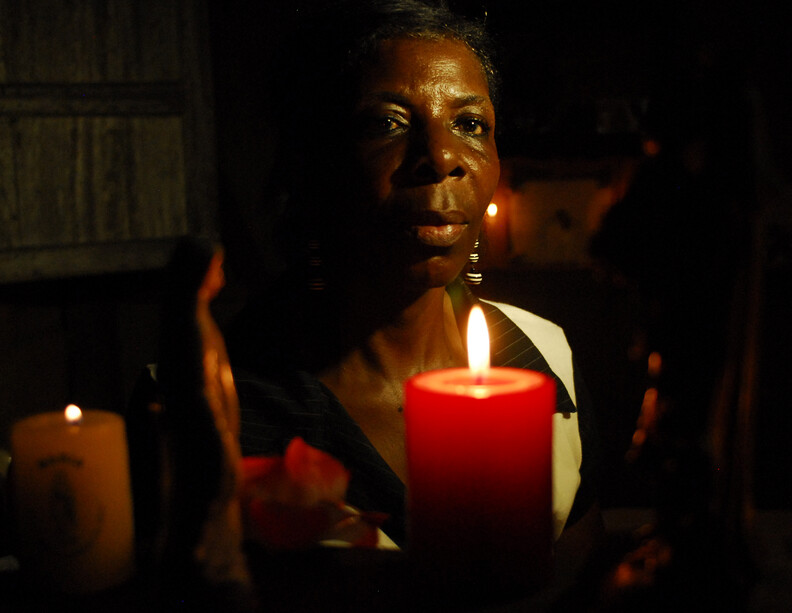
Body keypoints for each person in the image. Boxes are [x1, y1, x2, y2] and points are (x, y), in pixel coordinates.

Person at [224, 0, 601, 561]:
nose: (442, 156)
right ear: (311, 161)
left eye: (470, 124)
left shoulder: (543, 359)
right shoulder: (225, 406)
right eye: (386, 124)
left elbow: (579, 563)